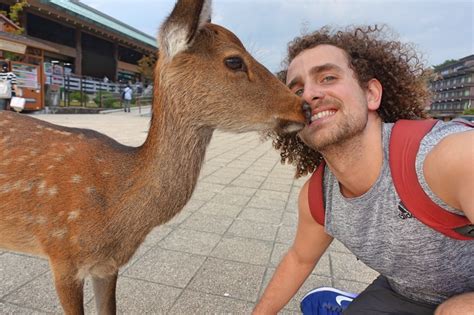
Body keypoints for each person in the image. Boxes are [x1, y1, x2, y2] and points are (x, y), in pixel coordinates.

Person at [254, 25, 473, 315]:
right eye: (297, 90)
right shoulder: (318, 198)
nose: (309, 95)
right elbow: (299, 259)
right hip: (404, 292)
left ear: (371, 94)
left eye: (328, 77)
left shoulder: (448, 158)